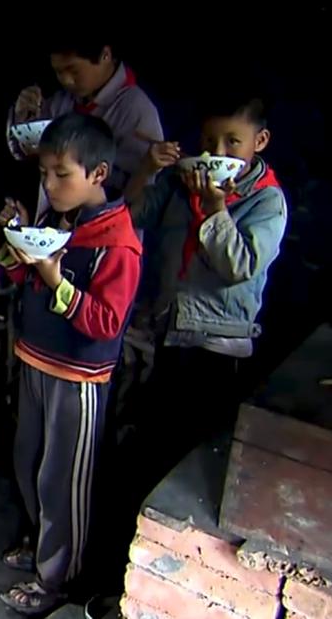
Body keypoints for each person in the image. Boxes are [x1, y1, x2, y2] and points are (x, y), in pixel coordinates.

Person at [0, 114, 142, 614]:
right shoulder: (63, 221)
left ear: (98, 174)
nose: (50, 185)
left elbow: (105, 322)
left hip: (78, 380)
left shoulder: (116, 242)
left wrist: (56, 280)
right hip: (36, 363)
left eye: (62, 175)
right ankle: (43, 547)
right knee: (29, 462)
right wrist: (19, 251)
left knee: (64, 481)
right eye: (44, 175)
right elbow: (30, 284)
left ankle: (59, 578)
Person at [123, 89, 287, 469]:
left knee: (195, 450)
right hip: (171, 331)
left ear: (259, 142)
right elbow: (127, 218)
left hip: (218, 346)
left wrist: (215, 208)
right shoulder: (182, 183)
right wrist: (147, 170)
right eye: (210, 141)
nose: (218, 154)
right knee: (158, 442)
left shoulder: (267, 202)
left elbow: (239, 266)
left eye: (233, 142)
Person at [8, 41, 163, 217]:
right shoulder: (61, 100)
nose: (66, 80)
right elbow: (28, 153)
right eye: (58, 72)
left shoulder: (135, 109)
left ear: (105, 55)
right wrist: (24, 118)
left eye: (74, 70)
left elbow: (139, 200)